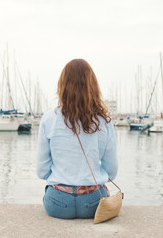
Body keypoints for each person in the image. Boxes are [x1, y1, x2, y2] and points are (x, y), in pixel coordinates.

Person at [36, 59, 118, 219]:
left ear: (62, 86)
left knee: (51, 192)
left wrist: (63, 179)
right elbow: (112, 171)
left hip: (57, 202)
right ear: (92, 86)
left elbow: (41, 171)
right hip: (93, 202)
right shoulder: (104, 122)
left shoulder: (48, 119)